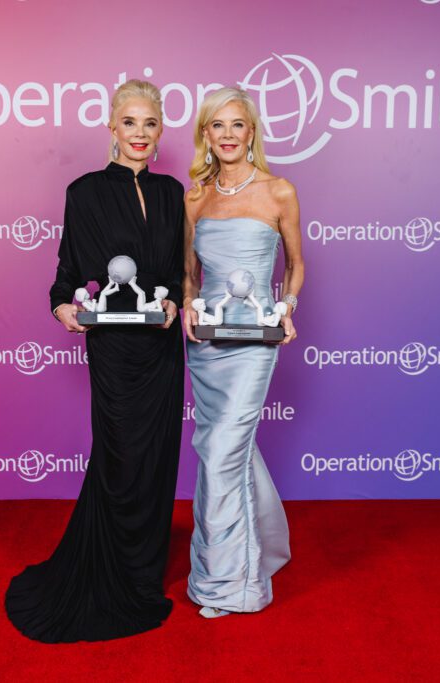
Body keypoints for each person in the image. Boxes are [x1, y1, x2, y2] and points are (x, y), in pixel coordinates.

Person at [5, 80, 185, 642]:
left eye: (149, 124)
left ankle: (144, 571)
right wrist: (61, 306)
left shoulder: (173, 192)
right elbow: (65, 273)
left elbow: (179, 270)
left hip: (161, 348)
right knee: (120, 455)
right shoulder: (83, 192)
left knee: (156, 458)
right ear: (112, 128)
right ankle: (114, 572)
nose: (139, 134)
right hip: (113, 349)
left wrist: (177, 298)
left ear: (160, 133)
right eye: (129, 123)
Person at [182, 87, 304, 618]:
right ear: (205, 135)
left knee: (224, 451)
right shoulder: (193, 197)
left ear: (251, 131)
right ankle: (261, 545)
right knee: (218, 449)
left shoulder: (279, 192)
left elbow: (296, 265)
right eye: (217, 126)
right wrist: (187, 302)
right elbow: (189, 275)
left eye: (237, 125)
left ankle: (228, 584)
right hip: (208, 342)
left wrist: (288, 305)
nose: (228, 135)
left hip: (255, 338)